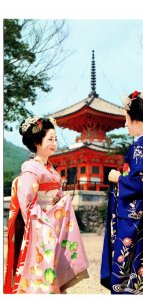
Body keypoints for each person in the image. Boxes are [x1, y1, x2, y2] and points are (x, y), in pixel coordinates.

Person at [4, 116, 89, 294]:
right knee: (40, 272)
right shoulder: (31, 168)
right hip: (40, 227)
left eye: (55, 139)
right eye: (50, 139)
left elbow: (57, 197)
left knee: (52, 269)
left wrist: (61, 203)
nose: (54, 143)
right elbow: (26, 200)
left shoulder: (52, 170)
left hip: (52, 224)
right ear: (37, 142)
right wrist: (40, 226)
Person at [100, 87, 143, 294]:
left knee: (130, 268)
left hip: (135, 218)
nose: (125, 125)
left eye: (126, 120)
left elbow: (139, 182)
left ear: (136, 120)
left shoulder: (140, 147)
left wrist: (118, 178)